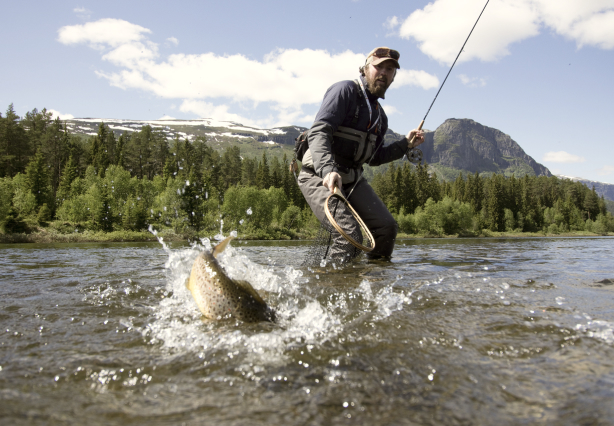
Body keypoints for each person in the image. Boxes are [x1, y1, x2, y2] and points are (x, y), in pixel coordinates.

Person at [298, 47, 425, 261]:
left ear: (394, 77)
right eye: (379, 67)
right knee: (348, 235)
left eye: (390, 70)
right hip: (318, 175)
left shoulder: (381, 117)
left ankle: (372, 285)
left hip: (352, 180)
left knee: (387, 228)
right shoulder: (345, 90)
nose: (384, 73)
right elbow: (320, 131)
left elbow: (374, 158)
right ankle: (332, 288)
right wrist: (328, 171)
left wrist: (405, 145)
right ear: (365, 69)